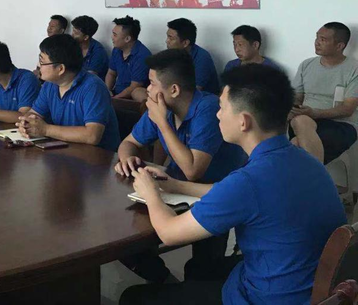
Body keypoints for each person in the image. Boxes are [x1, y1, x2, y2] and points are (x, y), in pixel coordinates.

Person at [120, 64, 346, 305]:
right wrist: (176, 185)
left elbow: (169, 232)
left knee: (133, 298)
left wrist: (150, 193)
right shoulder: (305, 160)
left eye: (222, 107)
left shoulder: (249, 181)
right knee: (199, 268)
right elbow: (231, 193)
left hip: (269, 297)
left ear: (243, 121)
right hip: (310, 285)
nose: (217, 115)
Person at [115, 49, 246, 283]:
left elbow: (193, 171)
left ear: (174, 90)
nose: (147, 89)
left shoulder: (207, 109)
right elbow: (129, 143)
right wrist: (126, 159)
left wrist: (162, 122)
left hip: (213, 194)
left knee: (203, 269)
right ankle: (166, 282)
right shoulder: (162, 108)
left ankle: (194, 288)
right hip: (174, 188)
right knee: (126, 241)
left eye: (152, 83)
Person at [18, 35, 119, 150]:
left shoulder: (93, 87)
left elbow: (92, 136)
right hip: (64, 150)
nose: (38, 66)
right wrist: (26, 124)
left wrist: (45, 129)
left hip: (98, 156)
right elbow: (34, 114)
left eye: (42, 62)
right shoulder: (50, 85)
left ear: (60, 69)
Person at [289, 22, 358, 164]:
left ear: (339, 46)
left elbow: (348, 109)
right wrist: (293, 108)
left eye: (323, 39)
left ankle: (311, 173)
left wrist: (315, 113)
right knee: (299, 121)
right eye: (317, 37)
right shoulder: (306, 65)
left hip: (340, 125)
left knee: (295, 143)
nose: (317, 42)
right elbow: (296, 98)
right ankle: (316, 174)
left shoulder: (354, 69)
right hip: (306, 119)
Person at [166, 18, 219, 94]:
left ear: (185, 43)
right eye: (167, 37)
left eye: (171, 38)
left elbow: (194, 91)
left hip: (200, 98)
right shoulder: (171, 54)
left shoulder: (202, 58)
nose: (166, 41)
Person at [105, 16, 151, 102]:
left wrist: (115, 99)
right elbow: (111, 73)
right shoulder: (116, 50)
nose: (112, 37)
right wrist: (107, 91)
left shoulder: (142, 55)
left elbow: (135, 86)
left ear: (127, 39)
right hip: (116, 94)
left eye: (115, 35)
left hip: (133, 99)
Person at [35, 15, 68, 79]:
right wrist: (37, 71)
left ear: (61, 30)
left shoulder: (64, 46)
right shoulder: (46, 43)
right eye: (49, 25)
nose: (49, 28)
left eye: (53, 26)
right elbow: (40, 63)